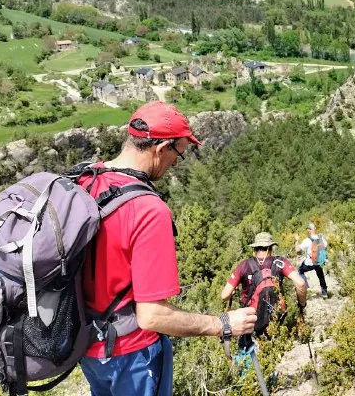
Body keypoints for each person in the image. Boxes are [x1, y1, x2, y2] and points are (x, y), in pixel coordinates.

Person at [78, 101, 257, 396]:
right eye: (178, 154)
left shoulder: (86, 179)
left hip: (89, 350)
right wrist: (222, 324)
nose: (176, 163)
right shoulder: (148, 210)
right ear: (161, 148)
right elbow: (152, 316)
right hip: (133, 356)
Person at [221, 232, 307, 349]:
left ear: (254, 249)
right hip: (276, 315)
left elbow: (224, 295)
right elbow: (301, 283)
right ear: (271, 248)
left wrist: (232, 292)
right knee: (275, 345)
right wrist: (302, 305)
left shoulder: (244, 265)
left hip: (250, 318)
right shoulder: (280, 262)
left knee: (250, 350)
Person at [296, 222, 330, 298]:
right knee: (321, 275)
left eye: (308, 229)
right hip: (319, 261)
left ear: (309, 230)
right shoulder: (321, 237)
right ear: (315, 229)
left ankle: (306, 286)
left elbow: (297, 250)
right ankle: (324, 293)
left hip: (310, 263)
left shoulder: (307, 240)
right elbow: (325, 247)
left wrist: (296, 240)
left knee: (300, 271)